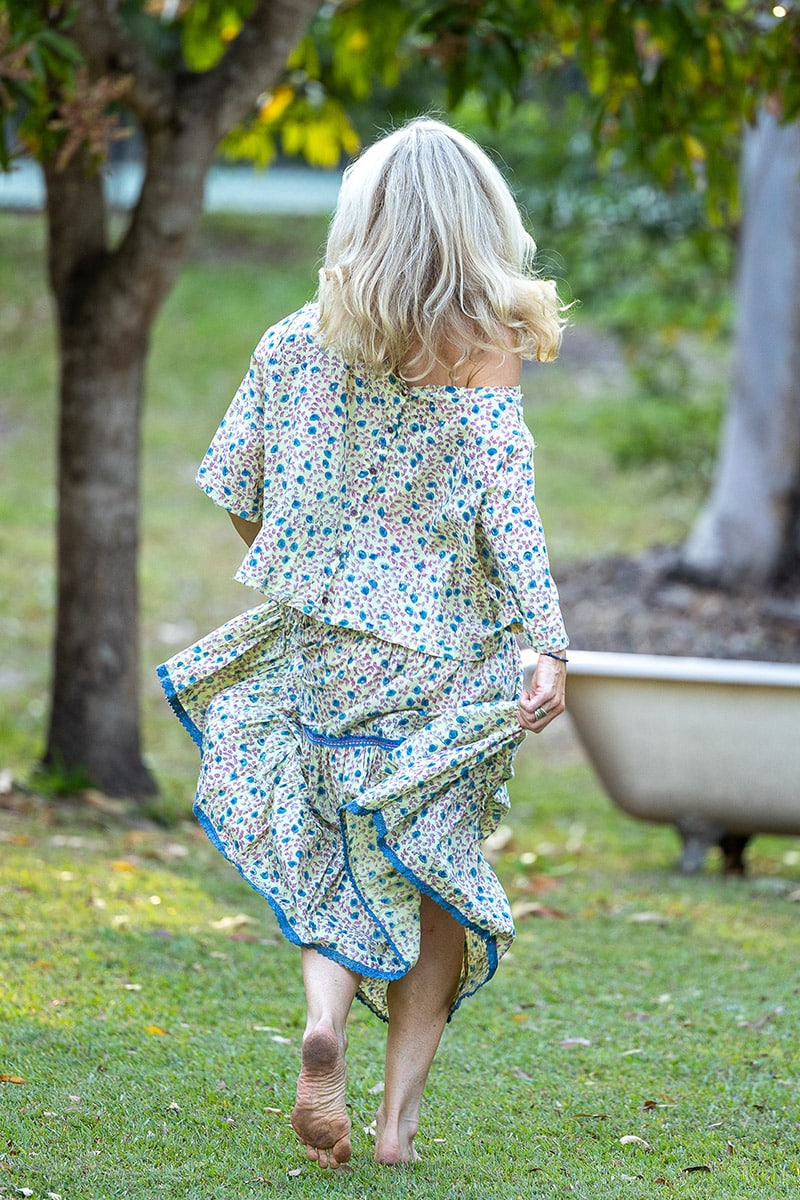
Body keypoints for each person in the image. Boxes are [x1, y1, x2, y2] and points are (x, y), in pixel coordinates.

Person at [158, 116, 569, 1169]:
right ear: (478, 220)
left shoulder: (293, 341)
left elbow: (235, 486)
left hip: (325, 651)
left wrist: (314, 578)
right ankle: (393, 1128)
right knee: (430, 868)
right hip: (445, 656)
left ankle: (323, 1022)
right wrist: (546, 644)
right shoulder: (483, 349)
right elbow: (505, 508)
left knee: (334, 849)